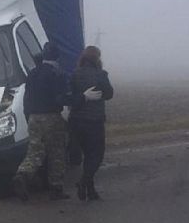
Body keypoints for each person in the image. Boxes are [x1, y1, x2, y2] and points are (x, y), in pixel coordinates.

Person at [13, 40, 71, 202]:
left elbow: (26, 99)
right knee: (56, 152)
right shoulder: (57, 73)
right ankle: (56, 188)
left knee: (35, 151)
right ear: (57, 56)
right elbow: (61, 97)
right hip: (52, 117)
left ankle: (23, 175)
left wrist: (28, 116)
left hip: (33, 117)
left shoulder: (32, 73)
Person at [68, 45, 114, 200]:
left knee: (87, 156)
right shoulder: (101, 75)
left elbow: (70, 97)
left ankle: (91, 190)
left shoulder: (74, 74)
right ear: (97, 59)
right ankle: (84, 182)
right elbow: (109, 94)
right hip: (94, 122)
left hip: (76, 121)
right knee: (95, 156)